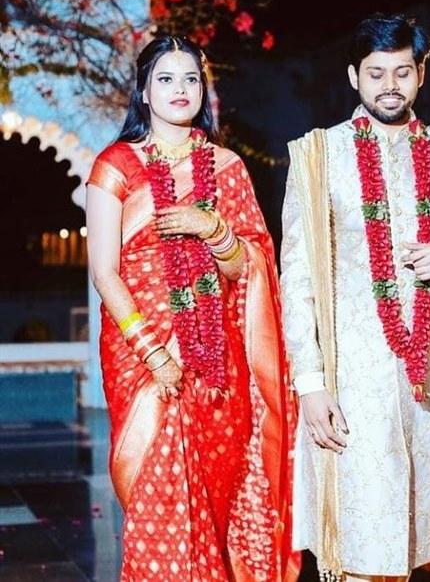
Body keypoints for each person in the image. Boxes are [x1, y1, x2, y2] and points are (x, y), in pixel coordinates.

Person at [280, 13, 430, 582]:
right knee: (355, 541)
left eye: (402, 71)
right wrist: (310, 384)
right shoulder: (319, 155)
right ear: (354, 77)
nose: (389, 85)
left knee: (410, 543)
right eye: (376, 73)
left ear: (421, 73)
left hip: (426, 379)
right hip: (350, 383)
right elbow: (295, 277)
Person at [86, 34, 301, 581]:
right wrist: (153, 352)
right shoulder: (115, 166)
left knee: (216, 500)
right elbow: (104, 272)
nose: (180, 89)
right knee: (159, 502)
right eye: (165, 78)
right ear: (143, 91)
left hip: (216, 362)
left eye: (190, 79)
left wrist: (215, 231)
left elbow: (248, 268)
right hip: (144, 361)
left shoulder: (226, 167)